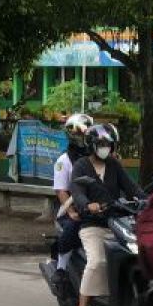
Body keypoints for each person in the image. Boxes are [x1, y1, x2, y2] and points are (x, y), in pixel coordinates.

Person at [70, 123, 143, 306]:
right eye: (102, 144)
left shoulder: (114, 165)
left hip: (116, 222)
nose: (106, 148)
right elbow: (76, 191)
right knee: (97, 262)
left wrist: (147, 201)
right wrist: (87, 205)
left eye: (109, 144)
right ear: (92, 145)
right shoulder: (81, 165)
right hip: (92, 225)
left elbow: (132, 188)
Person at [51, 113, 93, 284]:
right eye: (78, 132)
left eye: (85, 132)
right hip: (70, 206)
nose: (82, 136)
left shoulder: (94, 156)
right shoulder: (64, 161)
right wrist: (71, 211)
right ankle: (61, 269)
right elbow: (61, 190)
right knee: (73, 228)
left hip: (93, 205)